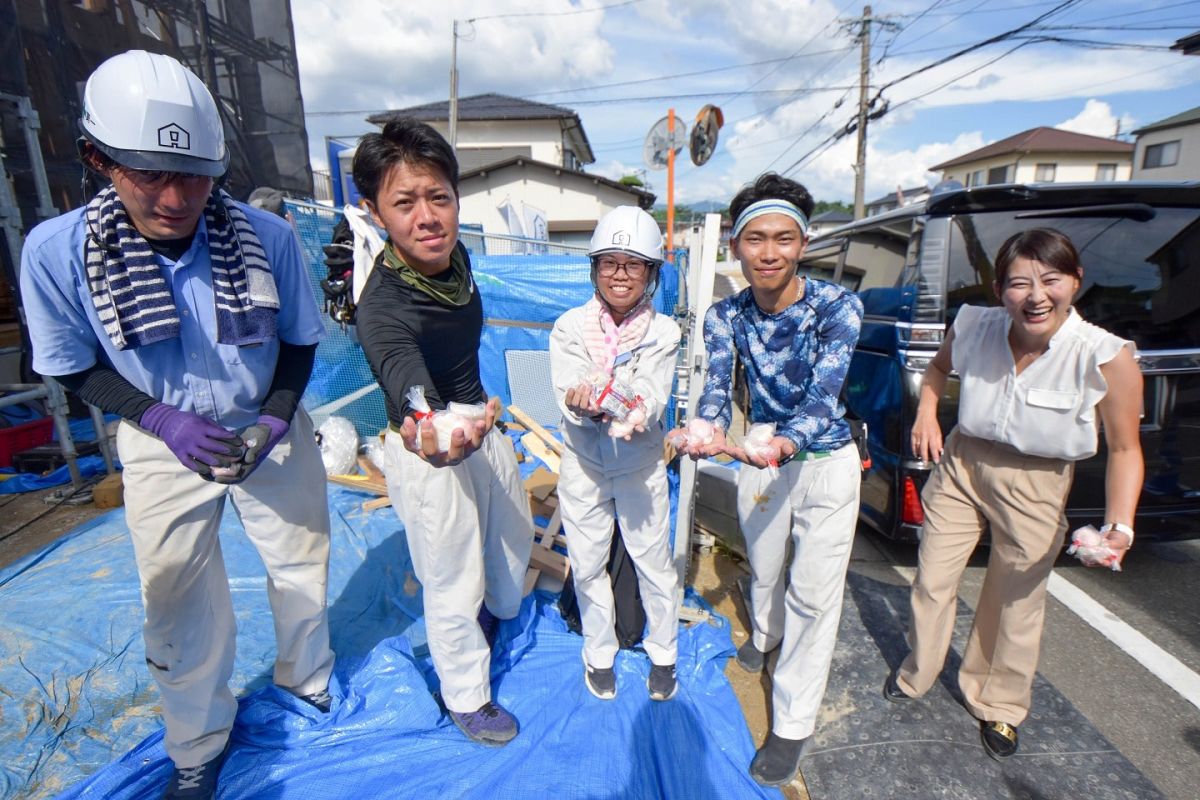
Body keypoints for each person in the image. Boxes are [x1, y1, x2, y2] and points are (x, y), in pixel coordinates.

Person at [19, 51, 334, 799]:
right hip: (163, 438)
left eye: (193, 177)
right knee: (178, 600)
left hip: (268, 424)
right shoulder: (59, 252)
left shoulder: (267, 235)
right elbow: (67, 364)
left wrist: (274, 420)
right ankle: (197, 743)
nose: (173, 196)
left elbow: (299, 340)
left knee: (300, 567)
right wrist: (159, 418)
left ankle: (307, 686)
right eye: (147, 175)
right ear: (99, 160)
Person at [882, 227, 1143, 760]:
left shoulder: (1104, 355)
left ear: (1075, 281)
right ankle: (919, 672)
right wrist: (928, 415)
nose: (1036, 295)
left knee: (1014, 601)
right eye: (1019, 283)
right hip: (963, 463)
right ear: (1000, 289)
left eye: (1051, 280)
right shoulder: (975, 324)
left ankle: (999, 704)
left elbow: (1123, 449)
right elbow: (936, 370)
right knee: (932, 579)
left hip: (1038, 481)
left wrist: (1120, 525)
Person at [351, 118, 534, 747]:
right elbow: (404, 374)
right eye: (404, 203)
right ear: (373, 212)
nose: (428, 216)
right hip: (430, 444)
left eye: (439, 197)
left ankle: (497, 616)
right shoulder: (381, 306)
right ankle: (467, 696)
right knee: (451, 574)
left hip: (482, 421)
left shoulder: (457, 259)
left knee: (511, 537)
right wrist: (430, 426)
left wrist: (476, 417)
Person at [680, 173, 863, 786]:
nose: (769, 252)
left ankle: (790, 723)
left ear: (804, 243)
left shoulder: (839, 307)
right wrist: (705, 431)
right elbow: (714, 389)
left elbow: (822, 396)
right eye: (755, 239)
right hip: (757, 454)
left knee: (814, 595)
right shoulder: (724, 314)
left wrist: (786, 442)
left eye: (783, 238)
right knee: (764, 566)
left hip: (824, 464)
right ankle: (764, 632)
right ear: (735, 245)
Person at [549, 206, 682, 702]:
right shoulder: (567, 327)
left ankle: (663, 654)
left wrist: (638, 407)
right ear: (595, 268)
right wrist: (581, 405)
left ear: (650, 273)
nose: (620, 274)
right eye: (609, 262)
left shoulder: (663, 332)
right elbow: (568, 388)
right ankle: (598, 654)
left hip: (639, 464)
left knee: (653, 563)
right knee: (585, 563)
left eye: (634, 264)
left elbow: (653, 389)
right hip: (583, 463)